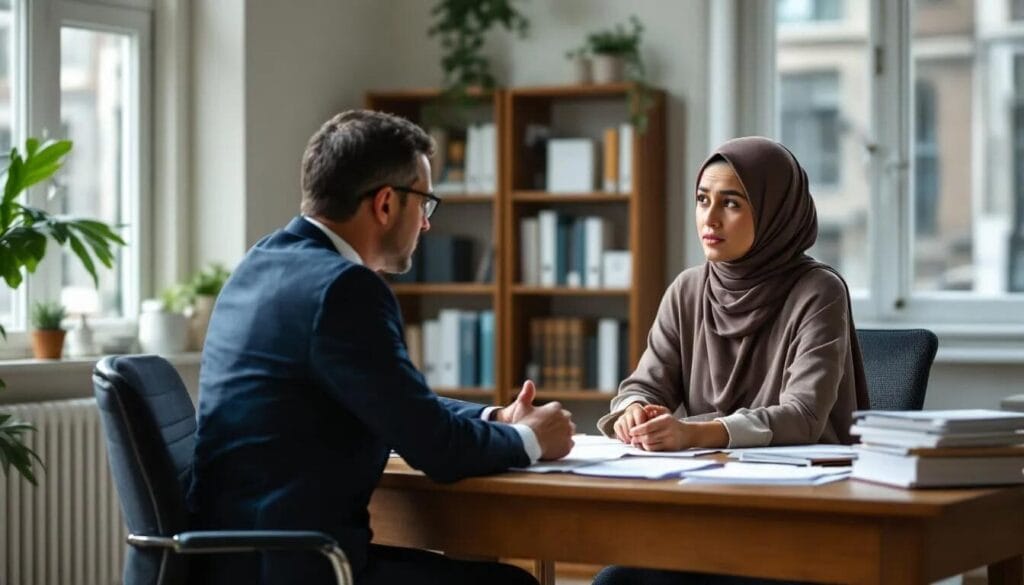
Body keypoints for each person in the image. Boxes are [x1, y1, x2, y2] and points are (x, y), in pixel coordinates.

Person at [188, 109, 575, 585]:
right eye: (425, 204)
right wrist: (533, 438)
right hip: (300, 566)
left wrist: (494, 418)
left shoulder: (261, 263)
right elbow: (439, 451)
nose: (428, 225)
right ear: (386, 204)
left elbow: (395, 406)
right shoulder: (344, 289)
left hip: (235, 560)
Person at [592, 136, 869, 585]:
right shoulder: (688, 289)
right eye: (703, 200)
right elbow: (644, 384)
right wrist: (632, 411)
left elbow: (803, 417)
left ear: (775, 211)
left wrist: (693, 432)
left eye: (732, 203)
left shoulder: (819, 291)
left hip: (805, 519)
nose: (710, 218)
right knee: (616, 581)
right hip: (711, 507)